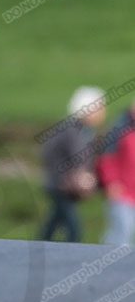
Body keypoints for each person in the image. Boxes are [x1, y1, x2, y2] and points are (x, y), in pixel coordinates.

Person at [39, 86, 105, 242]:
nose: (102, 112)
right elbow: (52, 155)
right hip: (59, 186)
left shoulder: (84, 129)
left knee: (53, 223)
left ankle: (37, 250)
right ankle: (70, 261)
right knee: (73, 226)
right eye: (99, 107)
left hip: (66, 187)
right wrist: (73, 175)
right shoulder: (70, 129)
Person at [97, 97, 135, 245]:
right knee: (121, 231)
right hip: (121, 191)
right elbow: (107, 158)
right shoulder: (119, 128)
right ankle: (111, 265)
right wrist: (111, 182)